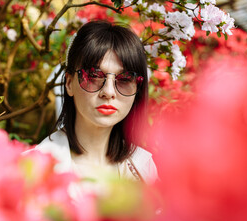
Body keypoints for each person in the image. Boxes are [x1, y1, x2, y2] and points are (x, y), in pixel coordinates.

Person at [33, 20, 158, 188]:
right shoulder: (36, 169)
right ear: (69, 83)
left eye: (125, 79)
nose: (108, 92)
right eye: (93, 76)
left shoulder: (144, 168)